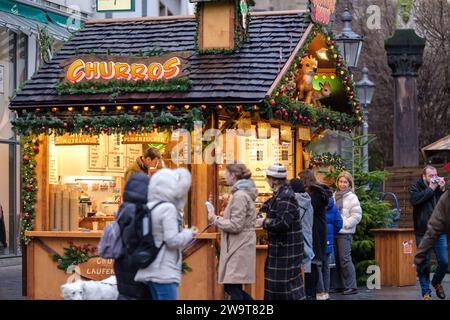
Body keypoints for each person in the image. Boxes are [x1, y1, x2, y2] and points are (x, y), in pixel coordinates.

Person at [134, 168, 198, 300]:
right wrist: (189, 233)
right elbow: (172, 240)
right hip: (163, 269)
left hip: (147, 267)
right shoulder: (167, 208)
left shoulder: (149, 207)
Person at [207, 163, 257, 300]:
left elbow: (236, 225)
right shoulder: (242, 194)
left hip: (238, 246)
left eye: (226, 173)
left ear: (233, 176)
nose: (224, 176)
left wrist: (215, 219)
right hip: (239, 245)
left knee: (231, 286)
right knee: (232, 286)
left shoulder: (240, 196)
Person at [256, 163, 304, 300]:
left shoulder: (286, 196)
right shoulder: (279, 195)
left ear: (274, 180)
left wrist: (264, 222)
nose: (266, 181)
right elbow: (266, 209)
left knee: (286, 290)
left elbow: (283, 223)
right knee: (278, 289)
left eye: (268, 178)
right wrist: (261, 216)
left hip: (286, 252)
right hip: (280, 251)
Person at [410, 165, 447, 300]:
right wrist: (431, 189)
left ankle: (436, 282)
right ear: (424, 176)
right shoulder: (416, 187)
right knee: (424, 263)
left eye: (435, 175)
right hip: (422, 232)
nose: (434, 178)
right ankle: (426, 293)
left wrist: (443, 189)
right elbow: (415, 200)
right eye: (431, 176)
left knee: (444, 262)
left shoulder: (440, 188)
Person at [114, 173, 152, 300]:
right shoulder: (139, 210)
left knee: (125, 294)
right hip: (135, 263)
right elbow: (137, 239)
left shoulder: (123, 208)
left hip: (121, 261)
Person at [298, 169, 331, 300]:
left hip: (315, 231)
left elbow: (308, 211)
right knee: (314, 262)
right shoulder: (315, 193)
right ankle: (318, 292)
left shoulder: (314, 194)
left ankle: (318, 292)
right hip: (316, 230)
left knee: (314, 262)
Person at [332, 171, 361, 295]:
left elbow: (357, 215)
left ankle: (351, 286)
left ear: (349, 184)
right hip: (334, 231)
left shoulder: (352, 197)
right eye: (340, 181)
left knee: (344, 259)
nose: (342, 184)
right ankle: (338, 286)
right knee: (336, 260)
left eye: (345, 182)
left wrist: (345, 224)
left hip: (345, 232)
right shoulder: (334, 195)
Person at [317, 195, 343, 300]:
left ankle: (320, 291)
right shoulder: (333, 206)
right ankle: (326, 292)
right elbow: (339, 223)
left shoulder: (317, 205)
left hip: (317, 240)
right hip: (328, 241)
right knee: (326, 267)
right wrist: (331, 233)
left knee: (318, 266)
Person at [290, 179, 314, 277]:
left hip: (298, 239)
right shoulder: (308, 200)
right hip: (307, 235)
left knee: (298, 271)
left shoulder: (295, 201)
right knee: (305, 268)